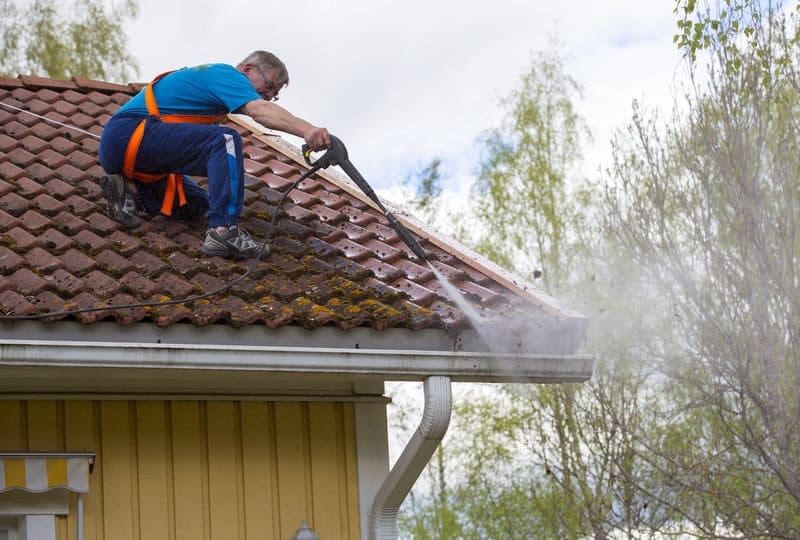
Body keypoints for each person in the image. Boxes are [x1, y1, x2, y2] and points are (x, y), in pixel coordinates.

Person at [98, 50, 331, 259]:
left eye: (274, 94)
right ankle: (224, 231)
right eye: (269, 86)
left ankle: (128, 190)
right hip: (130, 133)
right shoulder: (227, 74)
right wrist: (307, 130)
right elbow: (260, 112)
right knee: (224, 140)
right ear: (248, 69)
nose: (268, 96)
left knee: (197, 205)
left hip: (128, 152)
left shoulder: (210, 94)